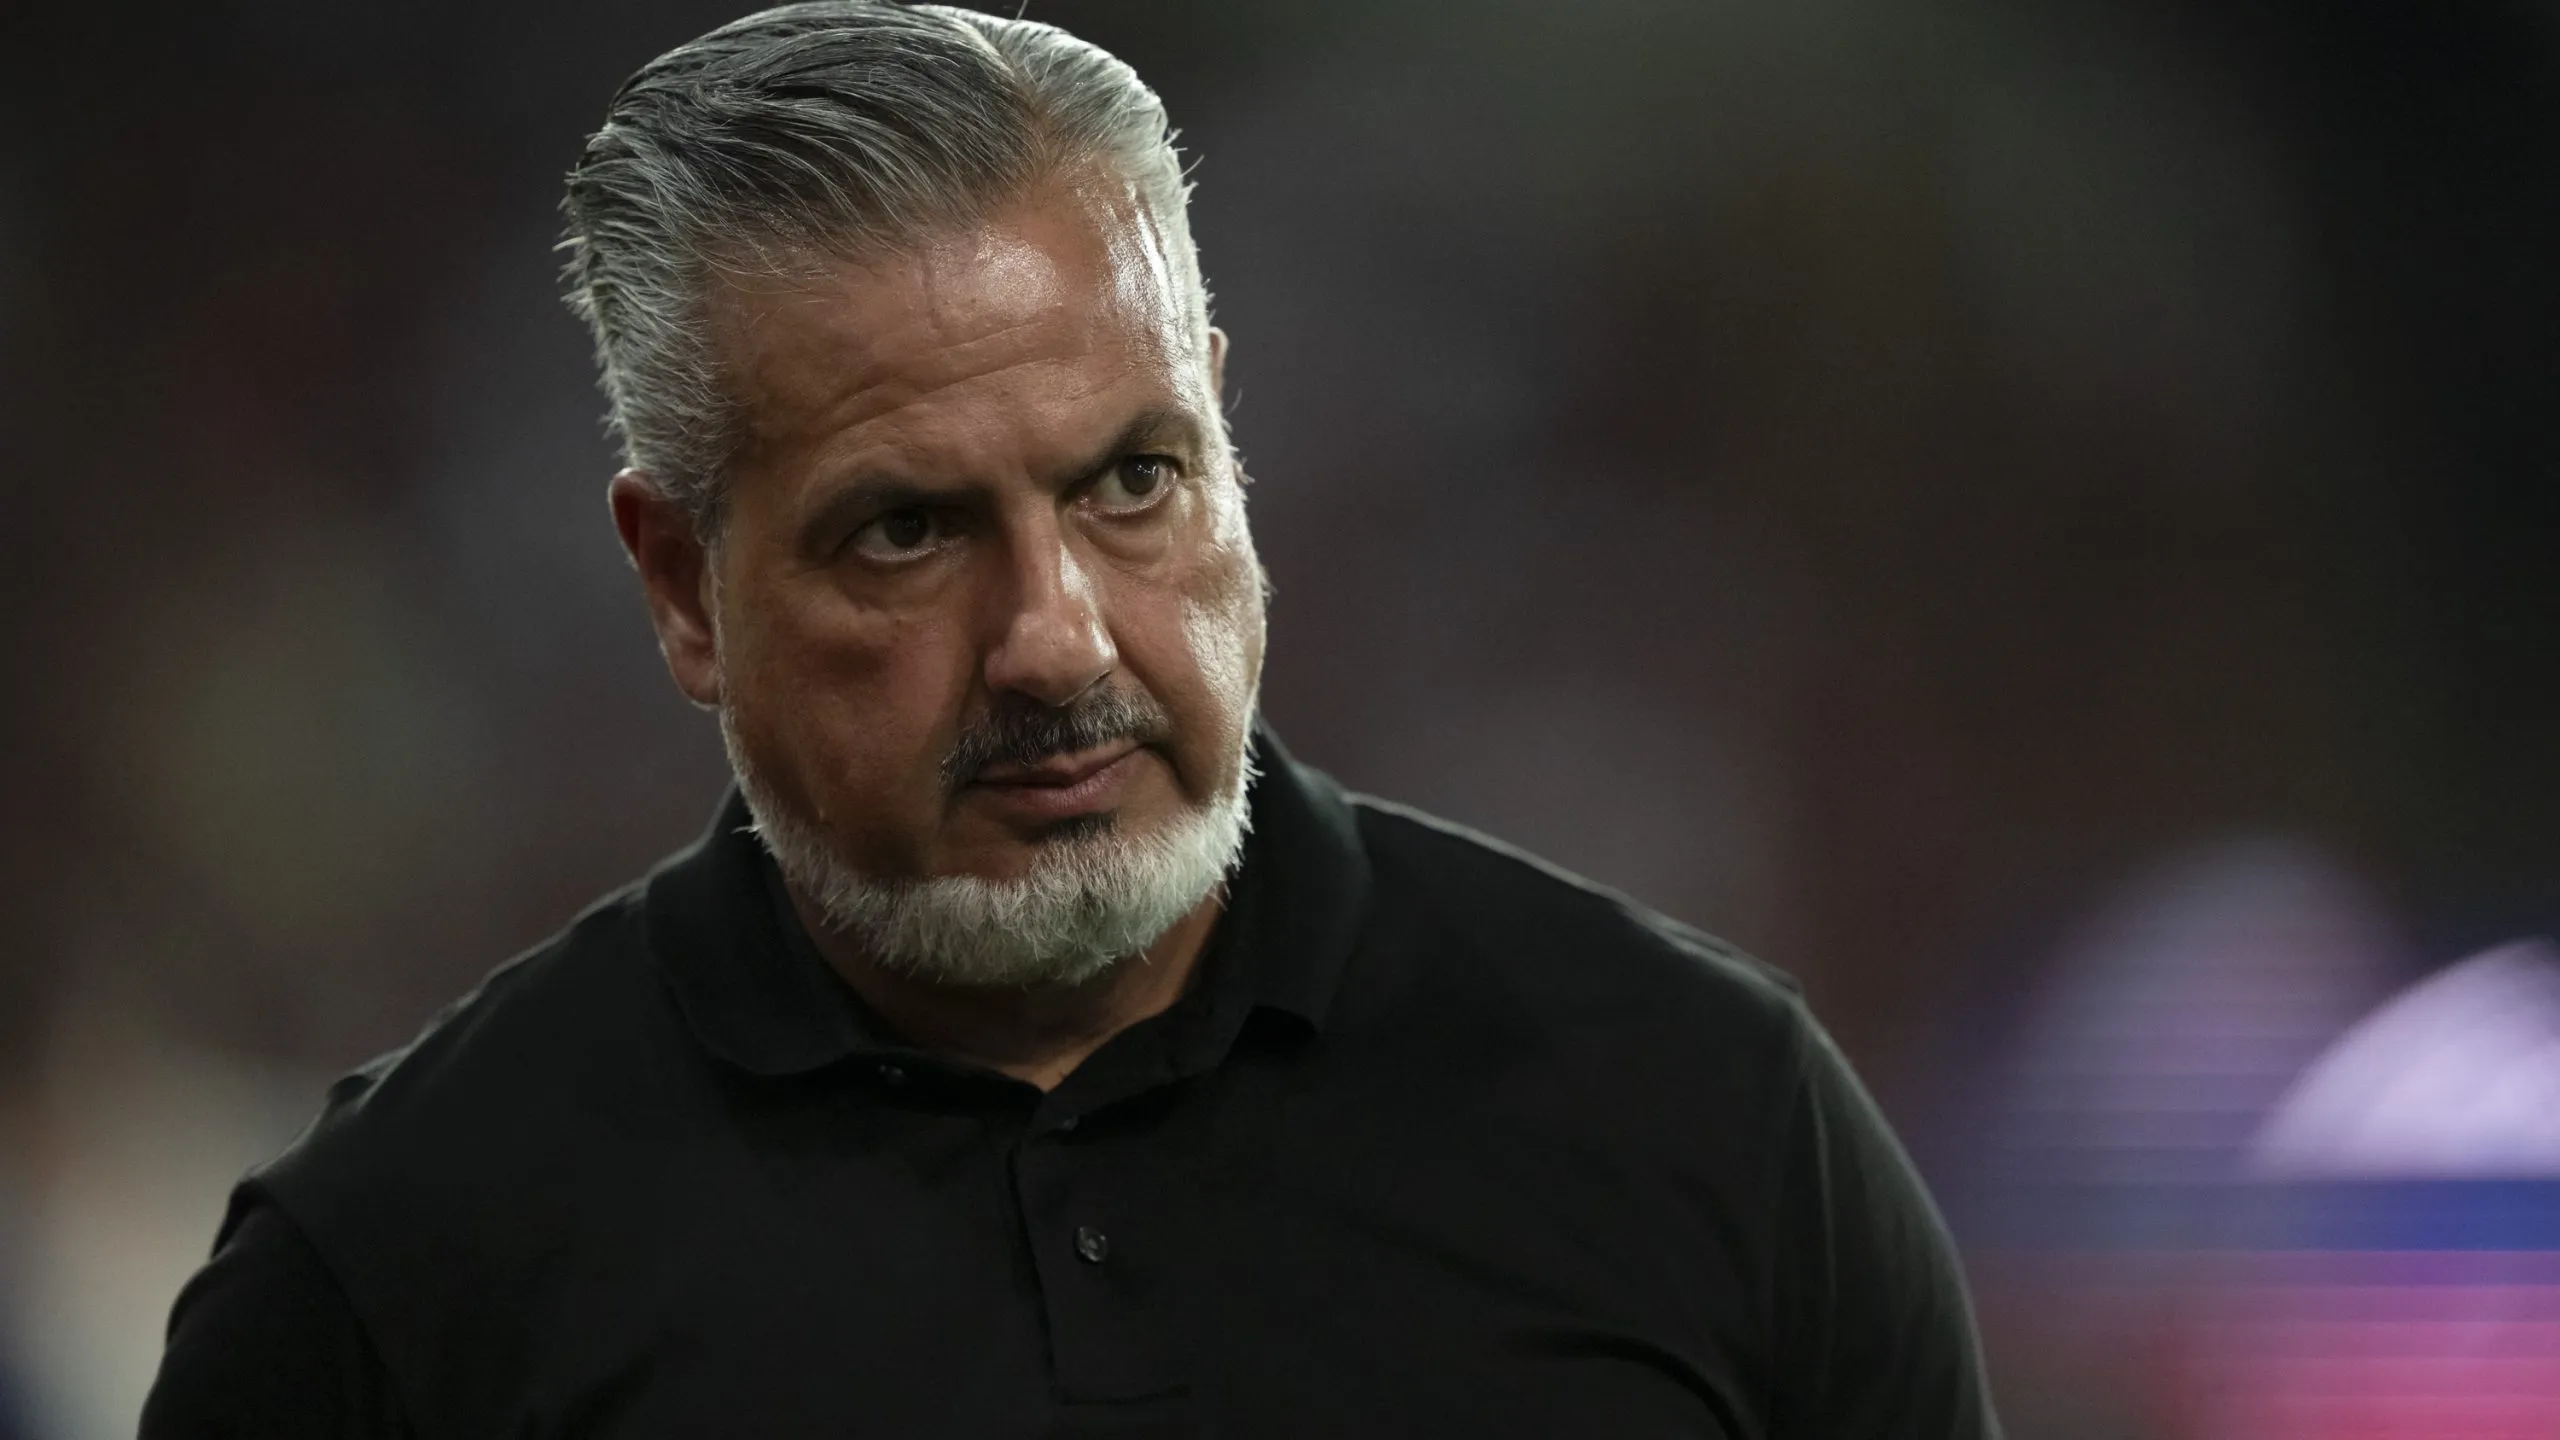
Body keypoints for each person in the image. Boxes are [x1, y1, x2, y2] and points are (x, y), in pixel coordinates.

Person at [141, 4, 2000, 1435]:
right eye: (907, 531)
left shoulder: (1714, 1119)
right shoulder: (389, 1278)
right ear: (685, 588)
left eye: (1130, 482)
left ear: (1226, 444)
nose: (1053, 638)